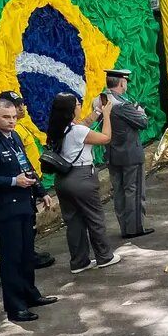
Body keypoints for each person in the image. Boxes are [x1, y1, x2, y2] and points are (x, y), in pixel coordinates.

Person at [0, 96, 59, 323]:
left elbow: (25, 165)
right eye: (6, 117)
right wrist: (12, 181)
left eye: (13, 117)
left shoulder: (14, 137)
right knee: (12, 259)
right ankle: (15, 307)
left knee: (27, 256)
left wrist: (42, 191)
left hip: (25, 206)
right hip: (5, 210)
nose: (11, 121)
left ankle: (30, 295)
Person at [44, 93, 120, 273]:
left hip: (63, 179)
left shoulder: (58, 128)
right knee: (95, 218)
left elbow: (83, 125)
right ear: (72, 110)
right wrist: (107, 115)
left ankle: (79, 261)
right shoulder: (77, 131)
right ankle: (104, 256)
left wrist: (97, 112)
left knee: (74, 221)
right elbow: (105, 137)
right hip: (82, 177)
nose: (80, 106)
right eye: (78, 104)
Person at [104, 69, 152, 238]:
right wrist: (140, 111)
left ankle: (125, 227)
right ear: (122, 83)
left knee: (118, 191)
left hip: (112, 153)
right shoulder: (122, 105)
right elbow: (143, 122)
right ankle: (134, 228)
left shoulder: (101, 100)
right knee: (134, 190)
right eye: (125, 82)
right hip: (130, 154)